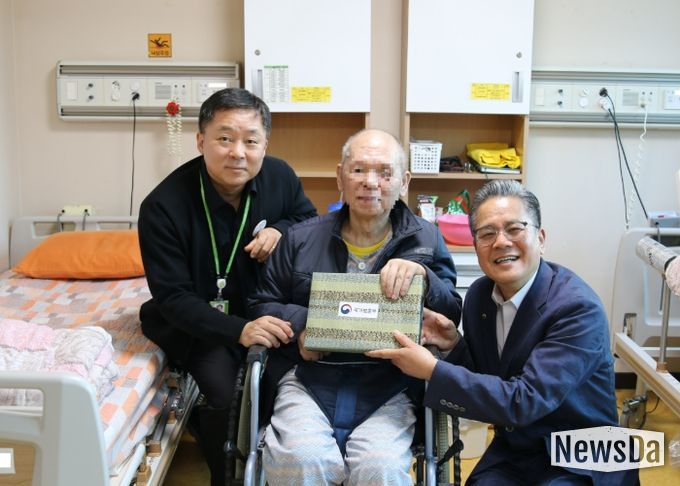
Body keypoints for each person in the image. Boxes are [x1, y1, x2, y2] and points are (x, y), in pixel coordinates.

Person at [368, 180, 639, 485]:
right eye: (487, 233)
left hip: (583, 454)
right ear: (476, 246)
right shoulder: (480, 297)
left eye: (514, 229)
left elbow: (523, 401)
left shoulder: (577, 308)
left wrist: (432, 369)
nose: (501, 242)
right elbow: (489, 381)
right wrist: (453, 344)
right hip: (519, 448)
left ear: (541, 238)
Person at [248, 128, 462, 485]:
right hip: (309, 377)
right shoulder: (300, 238)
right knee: (302, 458)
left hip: (391, 383)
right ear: (340, 177)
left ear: (404, 182)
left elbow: (451, 315)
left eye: (385, 172)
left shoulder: (427, 239)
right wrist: (305, 326)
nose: (370, 182)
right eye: (358, 170)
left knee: (381, 467)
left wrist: (425, 278)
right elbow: (261, 303)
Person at [137, 88, 317, 485]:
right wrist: (240, 330)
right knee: (227, 392)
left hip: (261, 306)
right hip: (198, 319)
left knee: (285, 381)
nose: (238, 152)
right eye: (224, 138)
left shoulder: (280, 177)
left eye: (251, 141)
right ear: (200, 141)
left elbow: (309, 222)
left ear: (264, 145)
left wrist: (280, 229)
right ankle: (227, 475)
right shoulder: (162, 207)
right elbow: (172, 297)